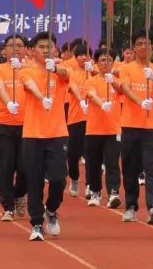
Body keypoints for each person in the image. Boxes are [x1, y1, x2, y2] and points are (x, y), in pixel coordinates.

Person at [19, 31, 71, 242]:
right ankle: (37, 223)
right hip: (33, 133)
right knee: (34, 180)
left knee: (59, 178)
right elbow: (28, 85)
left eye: (49, 47)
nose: (45, 50)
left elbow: (67, 75)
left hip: (57, 132)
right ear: (33, 51)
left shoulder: (61, 71)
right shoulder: (26, 70)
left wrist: (55, 69)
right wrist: (41, 98)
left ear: (55, 50)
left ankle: (51, 209)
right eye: (41, 47)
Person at [113, 30, 153, 224]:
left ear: (152, 48)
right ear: (134, 48)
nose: (144, 47)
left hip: (151, 126)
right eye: (140, 43)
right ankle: (131, 206)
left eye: (147, 43)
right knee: (130, 168)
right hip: (130, 125)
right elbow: (125, 88)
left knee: (151, 168)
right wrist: (140, 102)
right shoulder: (126, 68)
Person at [0, 39, 28, 222]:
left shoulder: (30, 70)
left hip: (27, 125)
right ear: (4, 50)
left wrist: (22, 69)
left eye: (19, 46)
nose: (15, 49)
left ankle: (20, 194)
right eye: (11, 46)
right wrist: (9, 103)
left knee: (25, 166)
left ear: (26, 50)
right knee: (5, 166)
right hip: (3, 123)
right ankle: (8, 206)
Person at [82, 47, 122, 208]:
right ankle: (95, 192)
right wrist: (101, 104)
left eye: (109, 60)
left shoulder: (117, 81)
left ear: (113, 62)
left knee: (112, 163)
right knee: (93, 163)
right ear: (97, 63)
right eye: (102, 60)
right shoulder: (90, 81)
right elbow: (91, 94)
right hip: (94, 129)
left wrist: (113, 82)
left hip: (113, 129)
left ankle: (113, 193)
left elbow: (123, 91)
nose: (106, 63)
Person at [63, 42, 91, 198]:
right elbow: (73, 88)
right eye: (80, 55)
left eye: (86, 55)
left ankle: (90, 185)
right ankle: (74, 178)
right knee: (73, 154)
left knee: (90, 153)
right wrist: (81, 101)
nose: (83, 58)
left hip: (92, 119)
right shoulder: (73, 73)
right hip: (75, 118)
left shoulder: (94, 72)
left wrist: (92, 72)